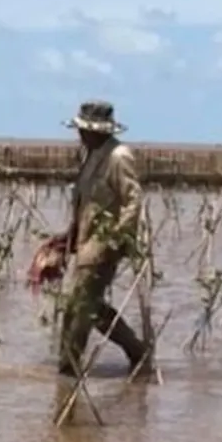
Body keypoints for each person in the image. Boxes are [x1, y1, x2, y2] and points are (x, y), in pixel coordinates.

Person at [50, 100, 151, 377]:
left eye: (84, 130)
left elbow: (133, 201)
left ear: (100, 132)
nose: (80, 135)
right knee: (90, 305)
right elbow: (86, 203)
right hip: (86, 241)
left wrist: (116, 240)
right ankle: (137, 352)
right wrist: (68, 236)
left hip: (104, 243)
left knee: (80, 305)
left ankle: (68, 369)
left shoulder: (118, 156)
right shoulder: (91, 155)